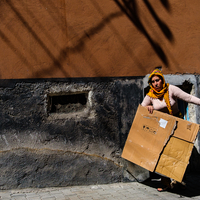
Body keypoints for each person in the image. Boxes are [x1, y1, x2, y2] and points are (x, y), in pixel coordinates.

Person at [141, 68, 200, 192]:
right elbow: (141, 109)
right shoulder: (150, 95)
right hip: (162, 127)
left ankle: (179, 180)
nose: (156, 83)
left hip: (177, 123)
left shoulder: (171, 89)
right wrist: (148, 107)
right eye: (153, 82)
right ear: (150, 84)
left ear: (162, 80)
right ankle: (166, 183)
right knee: (162, 153)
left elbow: (188, 98)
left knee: (179, 152)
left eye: (157, 80)